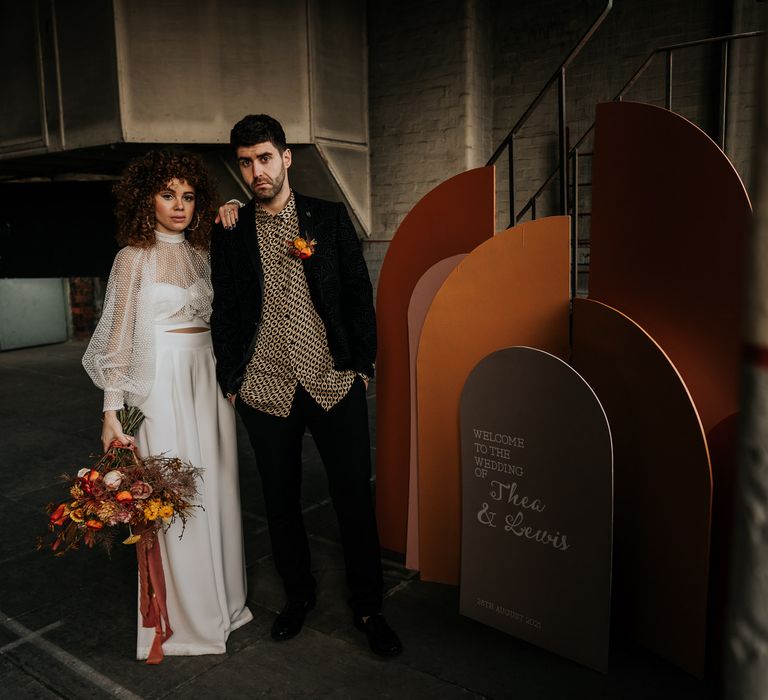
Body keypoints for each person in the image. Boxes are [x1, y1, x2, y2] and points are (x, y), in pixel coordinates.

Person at [210, 114, 402, 656]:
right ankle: (299, 597)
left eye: (265, 158)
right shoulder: (230, 230)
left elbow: (357, 297)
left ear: (286, 156)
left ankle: (369, 608)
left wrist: (362, 364)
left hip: (331, 380)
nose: (256, 171)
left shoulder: (329, 218)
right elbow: (225, 311)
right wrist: (233, 381)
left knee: (352, 500)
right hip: (266, 388)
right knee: (280, 500)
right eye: (246, 162)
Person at [82, 150, 252, 660]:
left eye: (188, 195)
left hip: (207, 379)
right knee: (178, 494)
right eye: (166, 194)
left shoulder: (204, 252)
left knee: (216, 488)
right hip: (158, 384)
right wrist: (112, 412)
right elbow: (115, 337)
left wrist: (237, 211)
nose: (178, 205)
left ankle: (224, 604)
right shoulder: (133, 258)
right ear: (146, 198)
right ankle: (186, 619)